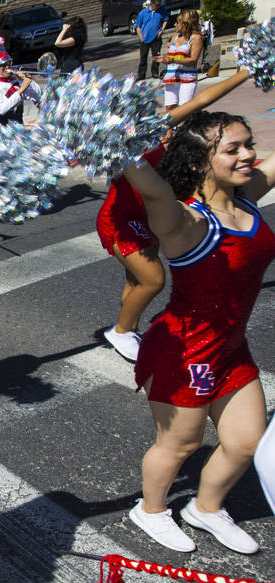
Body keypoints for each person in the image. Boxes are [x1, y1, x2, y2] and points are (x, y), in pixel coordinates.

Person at [122, 111, 275, 554]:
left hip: (231, 348)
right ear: (197, 162)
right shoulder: (185, 222)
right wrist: (116, 139)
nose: (248, 155)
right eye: (233, 149)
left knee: (246, 441)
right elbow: (151, 188)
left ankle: (205, 508)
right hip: (184, 351)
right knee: (181, 444)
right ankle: (150, 510)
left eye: (249, 144)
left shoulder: (246, 196)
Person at [96, 69, 251, 363]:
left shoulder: (149, 129)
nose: (146, 110)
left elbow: (202, 98)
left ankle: (128, 328)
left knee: (136, 281)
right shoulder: (112, 142)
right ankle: (121, 331)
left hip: (145, 216)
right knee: (153, 279)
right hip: (120, 221)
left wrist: (245, 72)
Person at [157, 9, 203, 110]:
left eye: (178, 22)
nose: (175, 24)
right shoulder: (175, 38)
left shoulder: (196, 38)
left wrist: (172, 60)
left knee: (184, 109)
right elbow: (170, 58)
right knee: (170, 108)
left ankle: (190, 124)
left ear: (186, 24)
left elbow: (193, 60)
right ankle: (173, 127)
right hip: (171, 78)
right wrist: (164, 59)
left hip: (187, 78)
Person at [0, 49, 41, 125]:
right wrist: (22, 89)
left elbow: (38, 97)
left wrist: (29, 81)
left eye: (9, 63)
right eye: (3, 65)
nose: (8, 67)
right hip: (1, 132)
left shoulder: (16, 82)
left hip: (19, 128)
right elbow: (1, 109)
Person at [136, 0, 170, 81]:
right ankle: (141, 74)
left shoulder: (162, 10)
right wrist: (141, 37)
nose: (158, 7)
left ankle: (155, 72)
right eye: (157, 5)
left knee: (156, 55)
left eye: (159, 5)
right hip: (145, 37)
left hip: (156, 37)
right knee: (143, 56)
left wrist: (162, 30)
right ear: (152, 4)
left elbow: (165, 20)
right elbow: (138, 26)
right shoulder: (143, 13)